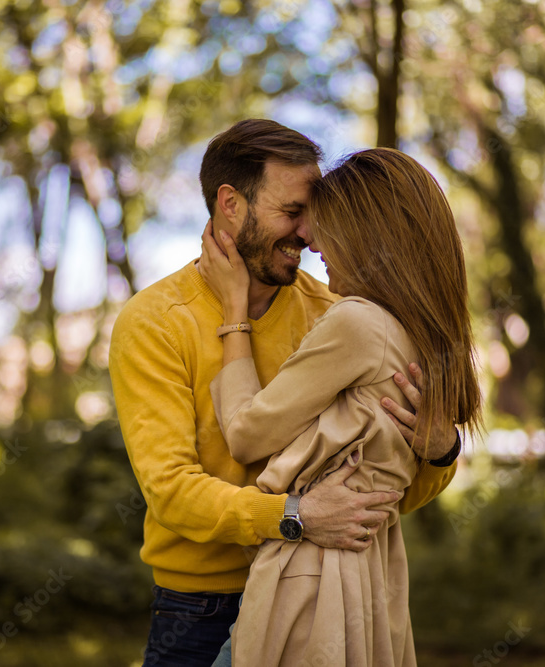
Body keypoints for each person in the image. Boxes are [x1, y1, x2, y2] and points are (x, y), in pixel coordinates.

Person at [108, 120, 464, 667]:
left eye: (313, 212)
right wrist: (295, 515)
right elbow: (173, 492)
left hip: (320, 587)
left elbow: (379, 492)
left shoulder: (336, 312)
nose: (308, 232)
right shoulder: (155, 323)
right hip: (198, 610)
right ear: (231, 204)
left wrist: (441, 452)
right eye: (292, 211)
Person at [198, 146, 483, 666]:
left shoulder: (358, 323)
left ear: (366, 233)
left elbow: (244, 434)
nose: (307, 238)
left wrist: (234, 310)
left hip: (312, 577)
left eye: (321, 222)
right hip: (373, 575)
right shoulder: (419, 333)